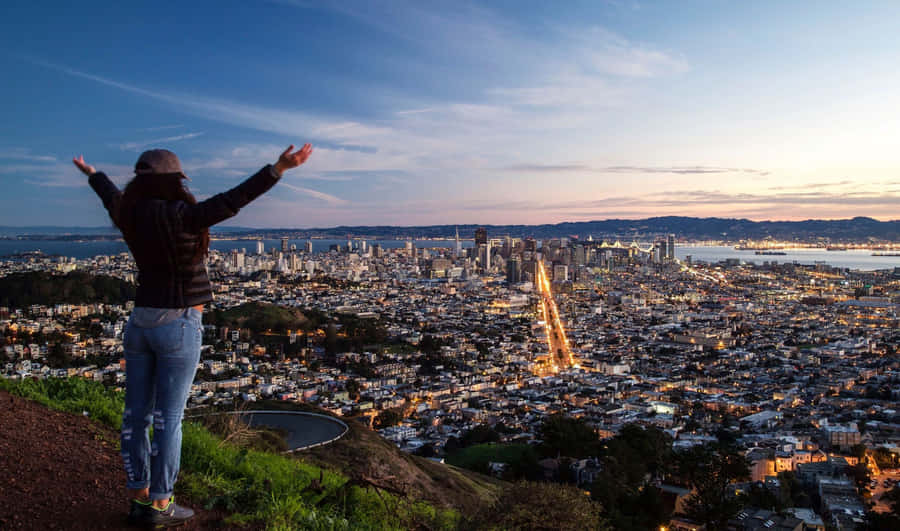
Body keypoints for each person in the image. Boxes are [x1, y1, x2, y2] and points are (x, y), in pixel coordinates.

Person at [73, 143, 313, 527]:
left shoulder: (129, 214)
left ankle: (138, 496)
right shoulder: (184, 215)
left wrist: (93, 175)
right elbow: (234, 199)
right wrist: (279, 168)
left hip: (140, 321)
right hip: (179, 322)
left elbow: (110, 196)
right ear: (175, 180)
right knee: (168, 419)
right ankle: (161, 503)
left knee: (135, 416)